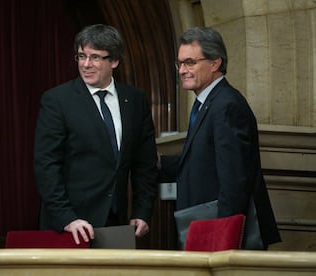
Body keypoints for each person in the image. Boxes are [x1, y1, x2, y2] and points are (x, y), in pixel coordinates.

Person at [34, 24, 158, 245]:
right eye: (81, 56)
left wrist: (142, 211)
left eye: (95, 57)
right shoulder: (57, 100)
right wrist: (67, 218)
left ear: (114, 61)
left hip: (116, 225)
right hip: (70, 227)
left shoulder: (135, 100)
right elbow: (46, 165)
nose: (86, 65)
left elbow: (145, 164)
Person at [159, 26, 281, 249]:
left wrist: (222, 240)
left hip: (220, 236)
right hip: (203, 227)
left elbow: (234, 181)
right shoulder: (208, 103)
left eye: (190, 63)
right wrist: (158, 164)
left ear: (215, 63)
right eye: (180, 63)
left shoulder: (227, 106)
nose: (182, 70)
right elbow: (202, 162)